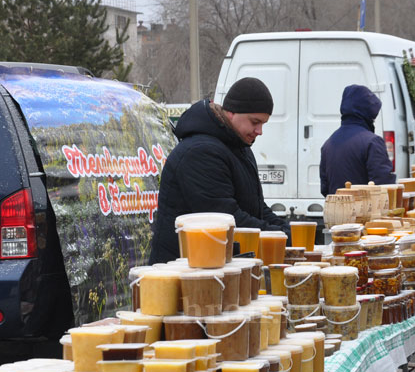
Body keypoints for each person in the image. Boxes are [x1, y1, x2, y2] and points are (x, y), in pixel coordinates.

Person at [149, 77, 288, 263]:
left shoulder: (239, 147)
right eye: (255, 122)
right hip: (185, 272)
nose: (259, 131)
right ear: (231, 113)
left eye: (263, 123)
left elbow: (257, 208)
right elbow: (226, 219)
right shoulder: (200, 152)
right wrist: (280, 236)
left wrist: (286, 230)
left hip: (215, 265)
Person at [319, 84, 395, 196]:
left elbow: (325, 189)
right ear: (368, 114)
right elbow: (384, 187)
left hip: (336, 211)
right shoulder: (372, 142)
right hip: (365, 212)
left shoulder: (327, 144)